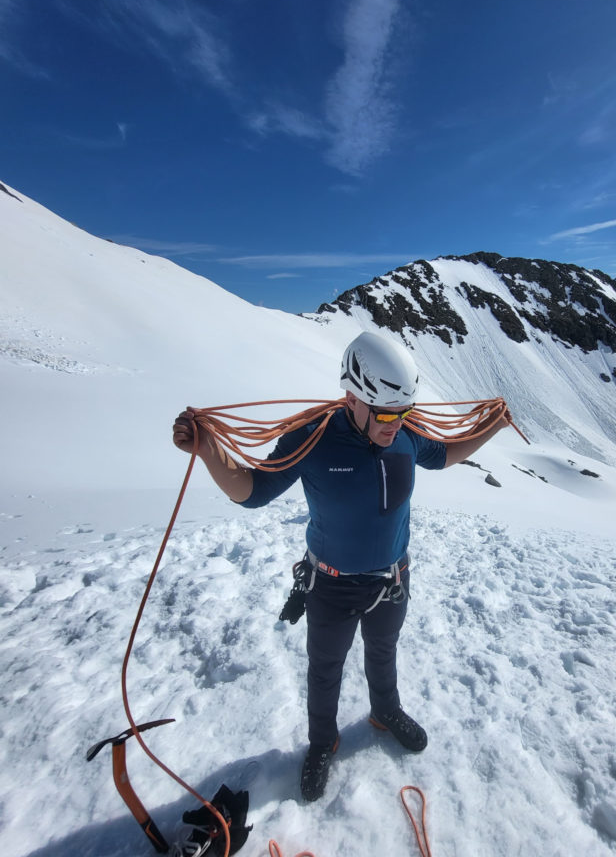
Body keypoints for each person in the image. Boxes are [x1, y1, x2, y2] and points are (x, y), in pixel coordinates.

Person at [173, 330, 512, 801]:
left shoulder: (406, 432)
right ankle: (322, 741)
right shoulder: (312, 437)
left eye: (404, 412)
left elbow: (445, 455)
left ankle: (384, 711)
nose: (395, 423)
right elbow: (252, 491)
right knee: (325, 668)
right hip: (331, 586)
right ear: (352, 396)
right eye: (386, 413)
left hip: (393, 579)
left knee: (383, 650)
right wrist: (208, 450)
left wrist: (491, 427)